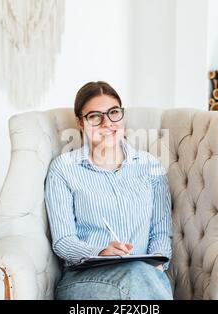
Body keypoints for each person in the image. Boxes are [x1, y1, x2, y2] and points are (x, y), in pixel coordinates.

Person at [45, 81, 173, 300]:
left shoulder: (150, 166)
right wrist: (100, 252)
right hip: (84, 279)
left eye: (114, 113)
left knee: (140, 275)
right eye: (95, 116)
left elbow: (161, 233)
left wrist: (156, 265)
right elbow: (63, 241)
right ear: (80, 122)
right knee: (137, 277)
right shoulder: (63, 169)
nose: (107, 123)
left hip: (145, 276)